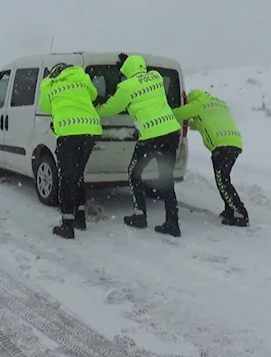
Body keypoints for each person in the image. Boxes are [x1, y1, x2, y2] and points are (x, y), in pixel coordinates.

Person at [95, 54, 183, 237]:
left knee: (134, 173)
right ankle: (172, 223)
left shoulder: (126, 87)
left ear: (127, 70)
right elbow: (142, 81)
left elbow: (112, 107)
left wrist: (94, 110)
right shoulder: (156, 77)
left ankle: (139, 215)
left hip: (151, 137)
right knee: (166, 178)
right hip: (172, 132)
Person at [39, 62, 103, 239]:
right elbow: (94, 95)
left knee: (67, 178)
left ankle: (67, 225)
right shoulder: (81, 77)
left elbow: (45, 106)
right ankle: (80, 218)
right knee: (78, 174)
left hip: (68, 132)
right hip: (90, 131)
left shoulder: (48, 84)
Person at [172, 89, 249, 227]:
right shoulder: (219, 103)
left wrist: (161, 112)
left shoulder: (198, 103)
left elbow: (179, 113)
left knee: (222, 181)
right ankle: (229, 210)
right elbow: (207, 120)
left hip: (222, 146)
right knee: (224, 179)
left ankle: (240, 214)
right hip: (234, 143)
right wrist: (191, 124)